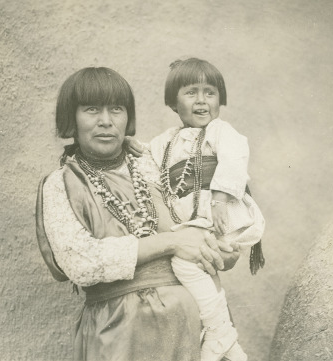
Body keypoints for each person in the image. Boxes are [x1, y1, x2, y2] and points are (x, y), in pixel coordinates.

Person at [35, 67, 242, 361]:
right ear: (72, 117)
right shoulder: (61, 184)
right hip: (121, 333)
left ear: (127, 117)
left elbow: (197, 221)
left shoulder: (151, 163)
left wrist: (219, 249)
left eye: (116, 110)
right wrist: (170, 243)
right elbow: (81, 263)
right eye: (92, 110)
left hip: (193, 327)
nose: (106, 121)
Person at [148, 58, 266, 361]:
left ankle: (218, 330)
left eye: (210, 92)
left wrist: (218, 199)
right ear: (173, 102)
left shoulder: (220, 130)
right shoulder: (165, 142)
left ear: (220, 100)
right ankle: (228, 344)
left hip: (223, 214)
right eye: (191, 92)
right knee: (194, 266)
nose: (201, 100)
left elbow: (234, 158)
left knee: (185, 264)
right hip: (196, 221)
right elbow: (149, 168)